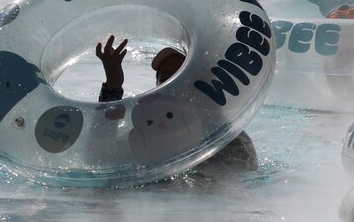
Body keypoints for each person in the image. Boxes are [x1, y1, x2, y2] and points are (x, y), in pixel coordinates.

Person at [94, 36, 258, 172]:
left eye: (182, 78)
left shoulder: (227, 139)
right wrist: (113, 85)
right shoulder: (143, 133)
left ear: (198, 85)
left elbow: (241, 185)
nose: (173, 85)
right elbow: (99, 155)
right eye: (167, 79)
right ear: (157, 86)